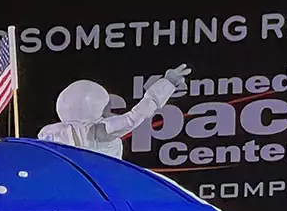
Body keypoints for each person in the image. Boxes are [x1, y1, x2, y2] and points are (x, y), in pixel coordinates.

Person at [36, 64, 192, 158]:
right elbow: (135, 116)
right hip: (99, 192)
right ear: (94, 108)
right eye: (106, 108)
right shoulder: (98, 131)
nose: (110, 112)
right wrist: (167, 83)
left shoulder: (47, 134)